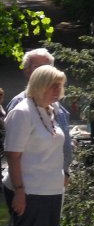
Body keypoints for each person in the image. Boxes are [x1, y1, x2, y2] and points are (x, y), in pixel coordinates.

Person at [3, 65, 73, 226]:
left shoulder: (49, 111)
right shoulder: (22, 112)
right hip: (29, 191)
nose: (58, 91)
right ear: (40, 84)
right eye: (54, 85)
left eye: (60, 85)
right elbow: (13, 155)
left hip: (52, 190)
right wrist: (20, 191)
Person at [8, 48, 74, 177]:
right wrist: (19, 188)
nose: (44, 71)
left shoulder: (56, 103)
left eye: (47, 66)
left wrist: (65, 172)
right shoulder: (20, 103)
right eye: (37, 66)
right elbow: (13, 152)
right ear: (27, 72)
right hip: (32, 183)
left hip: (56, 181)